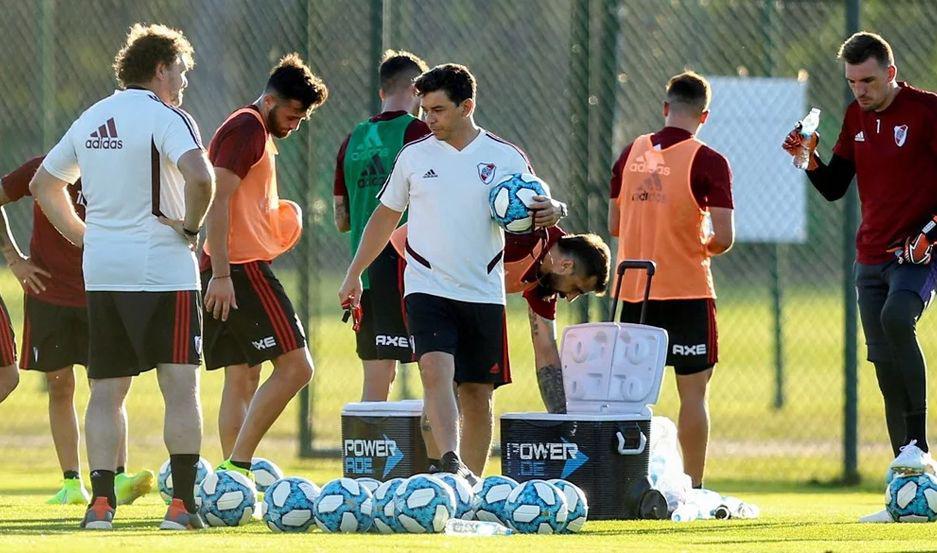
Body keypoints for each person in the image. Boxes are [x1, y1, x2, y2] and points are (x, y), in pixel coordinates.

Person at [339, 63, 565, 480]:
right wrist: (354, 273)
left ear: (467, 107)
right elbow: (383, 217)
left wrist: (554, 210)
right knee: (434, 370)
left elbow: (540, 206)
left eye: (438, 110)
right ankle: (449, 463)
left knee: (477, 394)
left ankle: (469, 490)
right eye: (425, 109)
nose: (428, 119)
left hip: (482, 291)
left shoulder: (506, 157)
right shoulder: (414, 156)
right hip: (426, 286)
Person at [30, 23, 215, 530]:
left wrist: (84, 236)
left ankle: (100, 506)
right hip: (165, 271)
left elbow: (45, 184)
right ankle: (180, 507)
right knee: (180, 388)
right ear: (159, 69)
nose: (183, 82)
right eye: (180, 71)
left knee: (105, 392)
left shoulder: (92, 117)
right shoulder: (168, 116)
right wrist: (193, 227)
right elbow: (202, 177)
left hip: (105, 273)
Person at [781, 32, 937, 522]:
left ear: (890, 72)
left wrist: (931, 232)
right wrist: (808, 159)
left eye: (868, 80)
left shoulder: (928, 111)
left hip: (917, 253)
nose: (860, 91)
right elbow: (833, 187)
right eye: (852, 82)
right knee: (882, 361)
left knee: (897, 321)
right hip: (868, 256)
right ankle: (904, 485)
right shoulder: (854, 117)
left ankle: (920, 447)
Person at [1, 157, 154, 506]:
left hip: (103, 292)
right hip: (49, 295)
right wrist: (14, 259)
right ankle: (71, 483)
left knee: (109, 388)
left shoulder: (121, 169)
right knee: (60, 387)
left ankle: (117, 477)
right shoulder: (45, 168)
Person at [608, 71, 734, 491]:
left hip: (634, 291)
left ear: (665, 108)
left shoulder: (630, 154)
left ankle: (627, 482)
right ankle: (692, 488)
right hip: (688, 291)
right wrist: (700, 246)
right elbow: (724, 237)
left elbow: (614, 224)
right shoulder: (709, 160)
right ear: (705, 116)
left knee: (630, 398)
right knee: (693, 396)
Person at [201, 53, 327, 472]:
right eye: (292, 114)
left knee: (242, 376)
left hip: (228, 266)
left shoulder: (252, 130)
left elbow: (236, 202)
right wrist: (221, 274)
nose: (294, 124)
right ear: (271, 101)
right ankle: (239, 465)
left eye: (302, 118)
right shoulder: (247, 128)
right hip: (239, 269)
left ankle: (232, 481)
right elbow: (216, 199)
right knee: (297, 367)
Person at [391, 225, 609, 466]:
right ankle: (438, 479)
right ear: (566, 265)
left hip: (481, 298)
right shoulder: (523, 233)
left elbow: (546, 348)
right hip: (433, 284)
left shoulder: (546, 275)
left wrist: (563, 423)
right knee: (443, 380)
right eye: (577, 288)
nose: (570, 297)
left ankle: (470, 490)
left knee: (479, 393)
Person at [333, 50, 429, 401]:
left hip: (365, 267)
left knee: (377, 373)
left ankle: (370, 455)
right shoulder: (419, 131)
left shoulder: (352, 138)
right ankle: (441, 455)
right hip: (409, 266)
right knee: (437, 369)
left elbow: (341, 220)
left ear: (381, 92)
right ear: (418, 90)